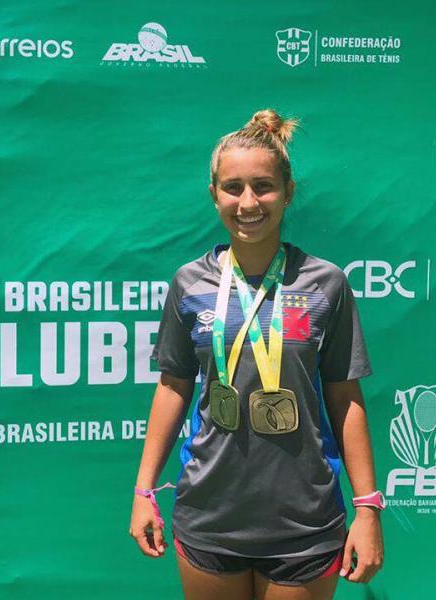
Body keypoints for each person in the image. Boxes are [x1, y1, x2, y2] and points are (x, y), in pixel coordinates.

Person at [129, 108, 384, 600]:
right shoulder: (190, 283)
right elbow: (173, 386)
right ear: (214, 194)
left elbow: (345, 397)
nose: (248, 202)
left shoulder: (325, 283)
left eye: (263, 186)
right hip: (209, 514)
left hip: (304, 520)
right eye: (233, 188)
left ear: (288, 192)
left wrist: (368, 508)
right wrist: (144, 490)